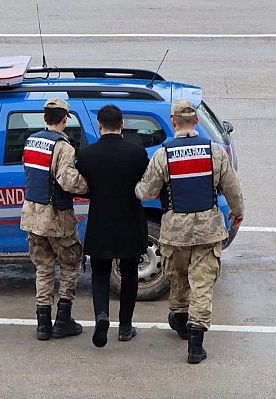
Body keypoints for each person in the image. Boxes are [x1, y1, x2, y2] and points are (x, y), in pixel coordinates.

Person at [135, 98, 244, 363]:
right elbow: (232, 188)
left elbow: (145, 192)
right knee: (203, 284)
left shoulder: (163, 154)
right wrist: (237, 213)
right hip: (209, 230)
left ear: (173, 123)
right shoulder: (215, 152)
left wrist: (136, 186)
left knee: (179, 278)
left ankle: (180, 319)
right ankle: (196, 345)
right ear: (196, 121)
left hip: (175, 232)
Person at [76, 104, 150, 347]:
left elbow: (82, 184)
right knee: (129, 275)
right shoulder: (137, 153)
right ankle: (126, 327)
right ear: (122, 125)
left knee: (100, 274)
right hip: (130, 222)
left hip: (100, 224)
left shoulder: (87, 155)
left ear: (99, 126)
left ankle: (101, 317)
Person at [21, 97, 89, 341]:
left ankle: (42, 324)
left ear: (43, 118)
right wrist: (89, 187)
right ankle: (63, 319)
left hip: (31, 215)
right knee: (70, 265)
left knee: (43, 268)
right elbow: (68, 181)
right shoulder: (64, 147)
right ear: (64, 120)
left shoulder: (31, 142)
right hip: (57, 217)